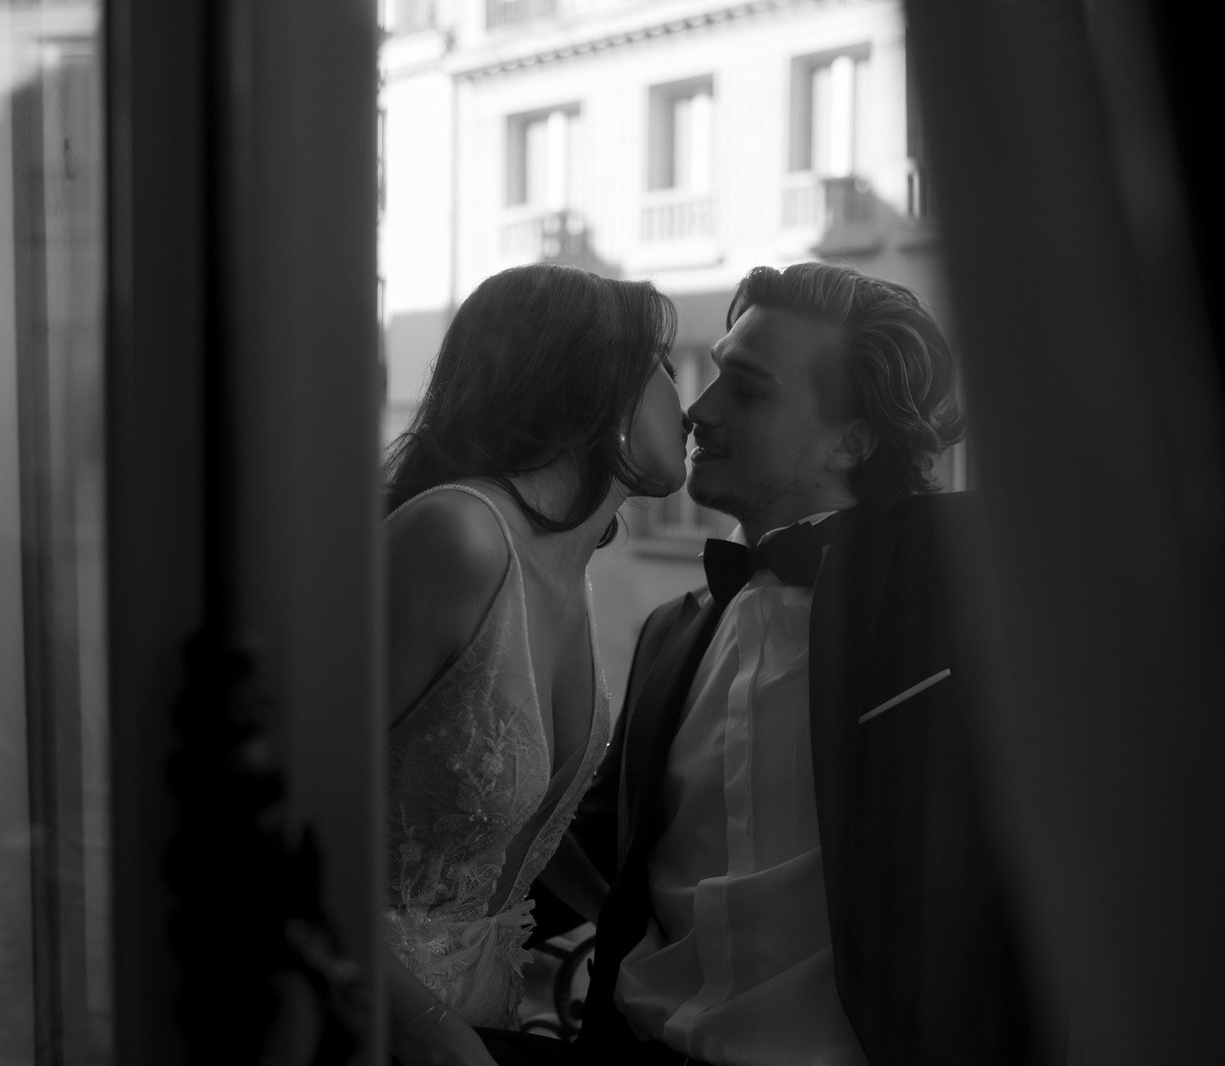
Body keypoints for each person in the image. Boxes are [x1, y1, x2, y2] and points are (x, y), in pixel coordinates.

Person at [567, 262, 1048, 1065]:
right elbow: (582, 847)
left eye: (747, 390)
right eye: (714, 373)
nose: (698, 410)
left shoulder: (964, 596)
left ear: (855, 437)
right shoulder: (667, 634)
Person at [380, 262, 690, 1066]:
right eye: (662, 361)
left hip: (486, 1016)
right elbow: (286, 816)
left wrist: (628, 925)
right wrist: (426, 1030)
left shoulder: (570, 568)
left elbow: (513, 830)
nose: (689, 397)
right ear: (592, 383)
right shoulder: (459, 537)